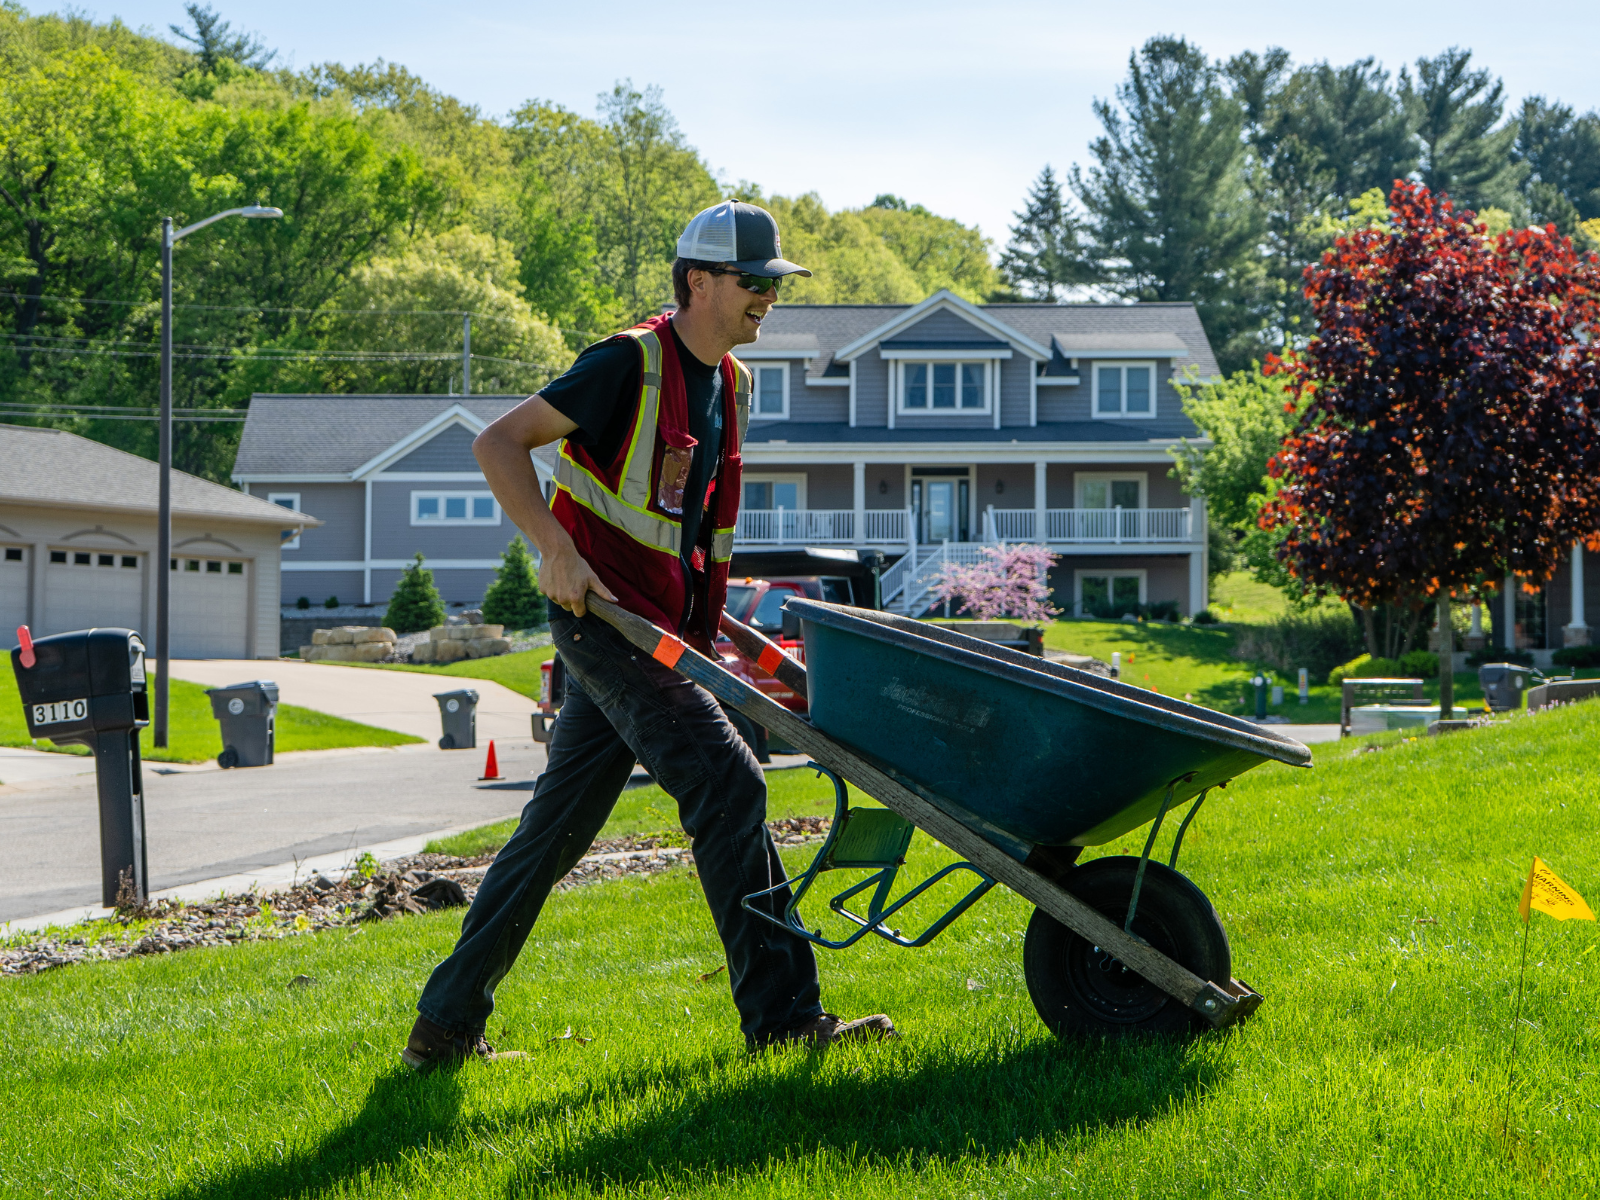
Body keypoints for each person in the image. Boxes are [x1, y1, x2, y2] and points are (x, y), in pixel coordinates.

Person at [402, 201, 895, 1069]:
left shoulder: (730, 384)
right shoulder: (627, 363)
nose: (766, 301)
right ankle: (782, 1023)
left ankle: (442, 1028)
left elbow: (689, 532)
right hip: (603, 621)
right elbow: (499, 444)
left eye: (773, 285)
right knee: (732, 787)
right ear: (698, 282)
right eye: (753, 284)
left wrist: (719, 630)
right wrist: (553, 549)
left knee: (552, 835)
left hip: (655, 628)